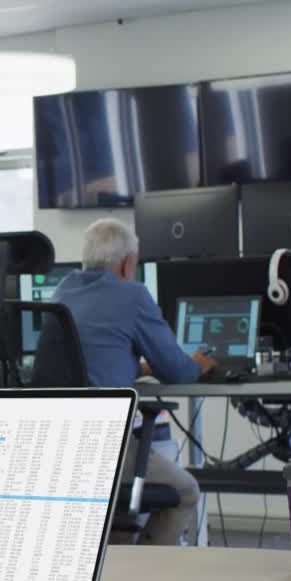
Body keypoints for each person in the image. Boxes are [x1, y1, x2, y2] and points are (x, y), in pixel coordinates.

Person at [50, 218, 217, 546]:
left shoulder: (62, 290)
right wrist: (198, 363)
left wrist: (132, 367)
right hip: (107, 445)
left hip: (61, 445)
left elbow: (86, 358)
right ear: (128, 263)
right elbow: (178, 373)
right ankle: (146, 579)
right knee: (186, 491)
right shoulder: (132, 295)